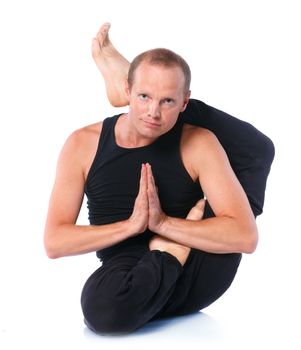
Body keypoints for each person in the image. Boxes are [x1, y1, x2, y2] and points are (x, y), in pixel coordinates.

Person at [44, 23, 274, 334]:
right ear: (128, 92)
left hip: (197, 264)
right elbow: (55, 242)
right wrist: (132, 226)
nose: (153, 112)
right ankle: (160, 267)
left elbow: (245, 237)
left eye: (167, 101)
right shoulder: (81, 144)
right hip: (129, 273)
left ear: (184, 103)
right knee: (101, 309)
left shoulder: (199, 142)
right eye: (143, 96)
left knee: (256, 150)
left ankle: (169, 256)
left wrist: (165, 226)